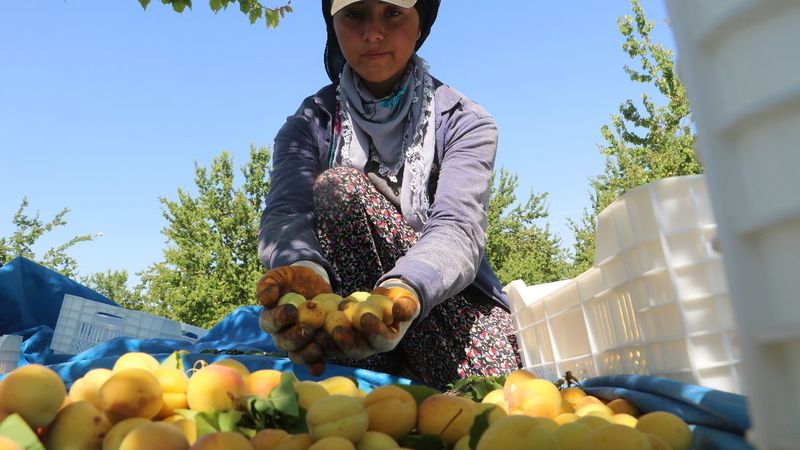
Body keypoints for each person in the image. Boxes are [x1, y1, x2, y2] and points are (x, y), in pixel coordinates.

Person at [256, 0, 521, 390]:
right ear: (333, 24)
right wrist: (304, 272)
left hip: (445, 310)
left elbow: (458, 227)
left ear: (421, 24)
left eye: (393, 13)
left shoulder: (465, 122)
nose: (373, 33)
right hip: (344, 319)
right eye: (354, 14)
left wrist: (403, 291)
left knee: (493, 398)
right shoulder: (309, 124)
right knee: (338, 188)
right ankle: (368, 368)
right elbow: (286, 212)